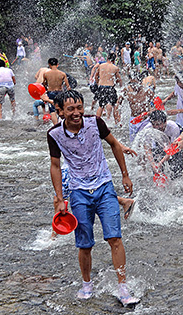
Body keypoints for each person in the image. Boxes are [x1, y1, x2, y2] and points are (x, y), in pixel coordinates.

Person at [47, 90, 140, 306]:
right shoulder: (54, 134)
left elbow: (115, 145)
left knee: (114, 238)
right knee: (85, 243)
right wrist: (60, 198)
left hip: (104, 186)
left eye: (80, 107)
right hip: (79, 191)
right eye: (71, 109)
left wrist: (125, 175)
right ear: (60, 111)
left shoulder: (95, 122)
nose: (77, 113)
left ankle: (123, 288)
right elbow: (55, 165)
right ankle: (87, 284)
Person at [91, 57, 122, 124]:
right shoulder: (115, 68)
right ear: (114, 60)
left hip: (101, 87)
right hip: (110, 87)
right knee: (114, 105)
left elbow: (96, 76)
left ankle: (96, 122)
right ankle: (117, 123)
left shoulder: (101, 66)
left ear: (107, 58)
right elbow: (118, 79)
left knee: (101, 106)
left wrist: (98, 82)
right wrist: (120, 85)